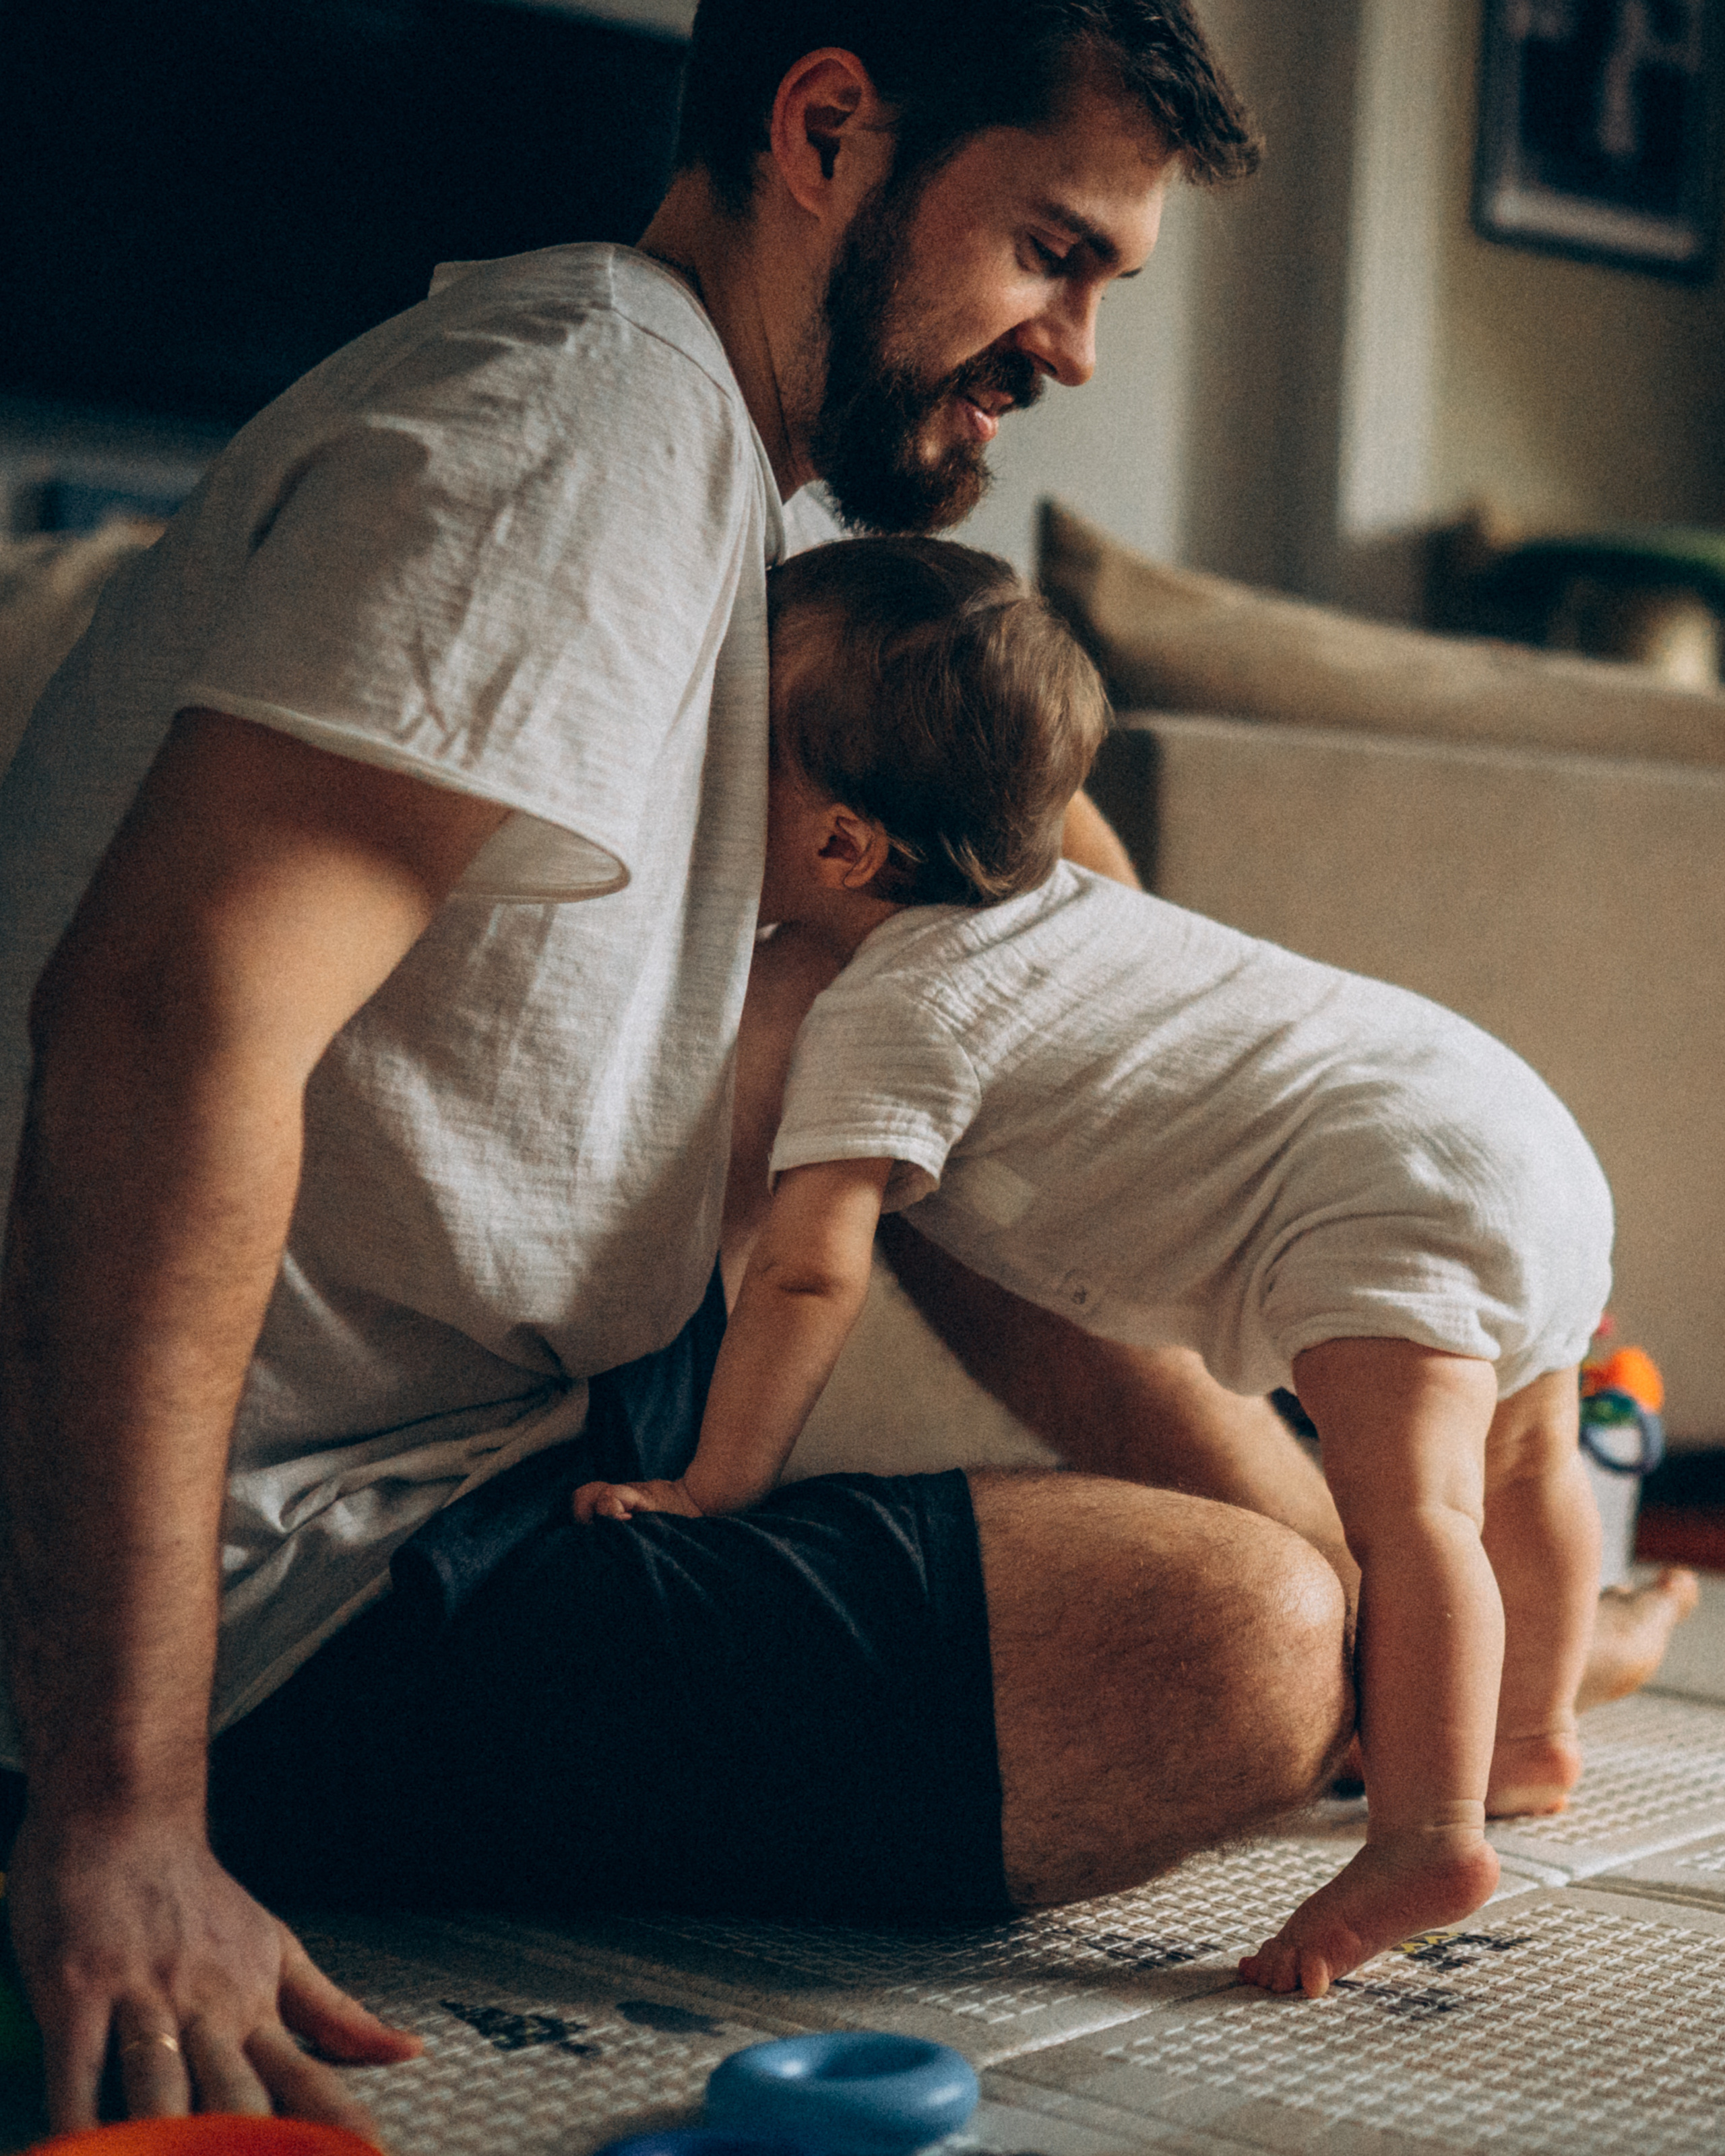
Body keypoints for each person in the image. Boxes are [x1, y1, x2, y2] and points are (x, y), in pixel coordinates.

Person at [0, 1, 1691, 2138]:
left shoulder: (740, 490)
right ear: (824, 131)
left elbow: (1049, 944)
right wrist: (125, 1814)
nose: (1076, 349)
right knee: (1231, 1644)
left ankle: (1398, 1601)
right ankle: (1375, 1634)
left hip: (516, 1433)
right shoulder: (580, 427)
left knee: (985, 923)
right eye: (1052, 253)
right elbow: (162, 1025)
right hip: (296, 1572)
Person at [571, 534, 1613, 1995]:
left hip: (1383, 1191)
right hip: (1502, 1116)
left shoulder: (889, 1009)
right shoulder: (1073, 904)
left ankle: (1427, 1828)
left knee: (1418, 1514)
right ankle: (1528, 1731)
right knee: (1524, 1461)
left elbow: (811, 1277)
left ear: (834, 848)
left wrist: (713, 1488)